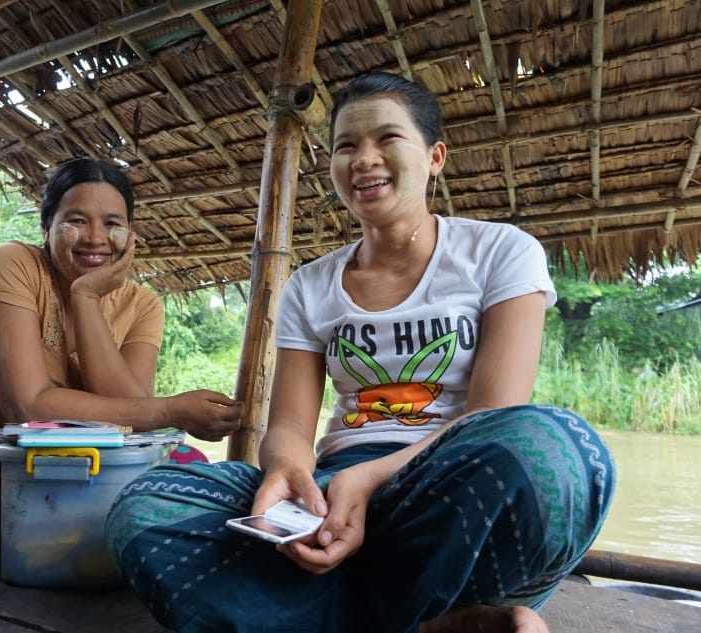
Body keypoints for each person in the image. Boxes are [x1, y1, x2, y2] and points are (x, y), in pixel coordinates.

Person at [105, 72, 615, 633]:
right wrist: (288, 473)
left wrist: (372, 480)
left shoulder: (500, 252)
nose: (363, 159)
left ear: (435, 156)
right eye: (346, 146)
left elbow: (492, 415)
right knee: (148, 505)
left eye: (386, 139)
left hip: (447, 489)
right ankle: (429, 621)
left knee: (560, 451)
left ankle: (331, 612)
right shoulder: (310, 286)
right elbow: (291, 427)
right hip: (331, 494)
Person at [0, 157, 243, 556]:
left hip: (90, 469)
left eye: (112, 224)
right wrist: (170, 411)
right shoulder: (12, 264)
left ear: (130, 236)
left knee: (190, 464)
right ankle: (41, 523)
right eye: (77, 221)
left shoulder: (144, 305)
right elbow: (26, 407)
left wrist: (87, 296)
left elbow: (133, 421)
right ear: (46, 229)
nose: (95, 237)